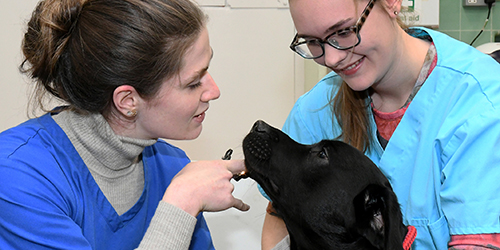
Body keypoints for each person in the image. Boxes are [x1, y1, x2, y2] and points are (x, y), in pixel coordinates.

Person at [0, 0, 250, 249]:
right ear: (128, 101)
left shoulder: (172, 166)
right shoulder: (18, 175)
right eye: (194, 82)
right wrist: (182, 203)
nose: (214, 91)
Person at [261, 0, 500, 249]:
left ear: (391, 3)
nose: (331, 59)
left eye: (344, 32)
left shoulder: (480, 107)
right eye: (312, 41)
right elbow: (279, 212)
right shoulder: (317, 110)